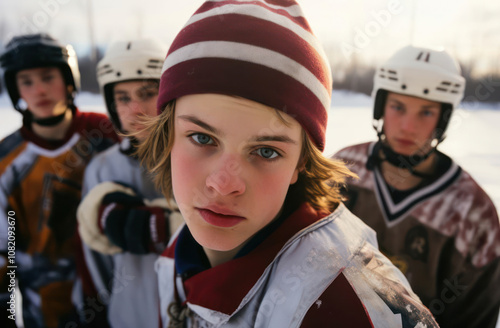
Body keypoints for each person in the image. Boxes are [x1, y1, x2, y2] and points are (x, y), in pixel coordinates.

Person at [138, 1, 439, 327]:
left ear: (301, 163)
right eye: (202, 138)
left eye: (265, 151)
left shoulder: (347, 305)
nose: (223, 184)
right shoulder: (177, 255)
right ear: (168, 134)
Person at [333, 45, 500, 328]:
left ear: (444, 119)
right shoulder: (344, 169)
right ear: (381, 106)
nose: (408, 126)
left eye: (426, 112)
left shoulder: (473, 214)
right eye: (398, 107)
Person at [0, 34, 118, 328]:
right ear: (15, 90)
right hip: (46, 307)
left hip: (115, 292)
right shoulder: (6, 159)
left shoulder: (105, 134)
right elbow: (5, 244)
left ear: (68, 79)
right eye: (26, 81)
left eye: (48, 77)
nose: (39, 89)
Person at [76, 38, 183, 328]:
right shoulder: (101, 168)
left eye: (147, 93)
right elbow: (96, 259)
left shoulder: (196, 159)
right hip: (128, 316)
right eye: (123, 97)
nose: (135, 109)